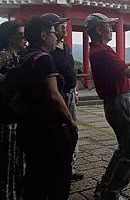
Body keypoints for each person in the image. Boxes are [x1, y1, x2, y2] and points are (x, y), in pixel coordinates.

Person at [85, 13, 130, 200]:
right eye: (108, 26)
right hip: (121, 102)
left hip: (115, 103)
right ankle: (112, 192)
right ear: (99, 29)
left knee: (124, 147)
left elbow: (124, 66)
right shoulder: (103, 52)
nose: (112, 29)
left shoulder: (98, 50)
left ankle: (105, 186)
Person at [18, 17, 77, 199]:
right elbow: (54, 95)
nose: (57, 37)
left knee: (35, 172)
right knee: (59, 175)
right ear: (43, 35)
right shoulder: (45, 59)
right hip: (49, 127)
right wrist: (71, 122)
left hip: (29, 124)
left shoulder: (25, 56)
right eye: (53, 33)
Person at [41, 13, 84, 181]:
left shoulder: (65, 47)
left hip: (70, 94)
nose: (64, 28)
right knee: (63, 130)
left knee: (72, 131)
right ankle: (59, 168)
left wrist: (76, 91)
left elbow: (71, 70)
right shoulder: (49, 52)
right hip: (58, 96)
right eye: (60, 25)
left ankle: (69, 166)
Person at [0, 20, 27, 200]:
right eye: (21, 35)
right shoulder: (4, 56)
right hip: (6, 115)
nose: (25, 39)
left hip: (16, 114)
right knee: (8, 160)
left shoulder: (17, 57)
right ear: (10, 38)